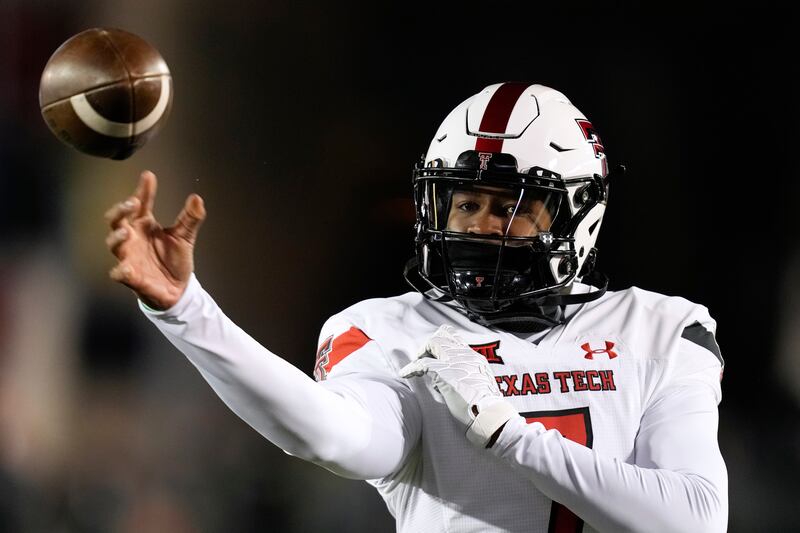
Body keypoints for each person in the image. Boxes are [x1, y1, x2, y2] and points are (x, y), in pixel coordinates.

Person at [105, 82, 728, 532]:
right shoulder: (389, 330)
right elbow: (335, 438)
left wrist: (511, 435)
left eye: (513, 206)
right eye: (465, 203)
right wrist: (188, 311)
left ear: (578, 215)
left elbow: (692, 521)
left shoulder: (663, 328)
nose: (483, 226)